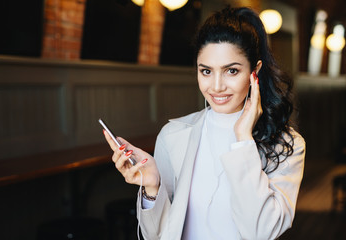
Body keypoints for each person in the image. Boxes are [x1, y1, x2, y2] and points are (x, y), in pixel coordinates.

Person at [103, 6, 305, 240]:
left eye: (231, 70)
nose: (216, 86)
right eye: (206, 71)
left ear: (255, 72)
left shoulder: (287, 145)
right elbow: (155, 235)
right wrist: (152, 187)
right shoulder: (172, 135)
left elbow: (262, 232)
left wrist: (243, 140)